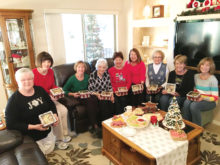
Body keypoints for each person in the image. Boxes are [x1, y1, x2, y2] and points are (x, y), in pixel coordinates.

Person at [5, 68, 59, 154]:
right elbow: (10, 124)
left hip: (48, 131)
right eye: (23, 80)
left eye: (30, 79)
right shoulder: (13, 101)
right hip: (31, 137)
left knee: (50, 150)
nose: (27, 82)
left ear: (33, 79)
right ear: (17, 81)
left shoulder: (40, 90)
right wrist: (34, 127)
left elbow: (51, 104)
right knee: (41, 154)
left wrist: (55, 115)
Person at [32, 51, 71, 147]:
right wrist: (48, 97)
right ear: (39, 62)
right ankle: (58, 139)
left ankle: (64, 134)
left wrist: (57, 91)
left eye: (49, 62)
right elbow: (34, 92)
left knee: (64, 110)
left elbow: (52, 85)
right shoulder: (33, 73)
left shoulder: (50, 71)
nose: (47, 64)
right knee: (56, 113)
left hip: (51, 98)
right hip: (40, 100)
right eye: (44, 61)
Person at [63, 61, 100, 138]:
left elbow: (92, 87)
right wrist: (73, 94)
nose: (81, 69)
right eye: (79, 67)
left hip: (88, 95)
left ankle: (93, 125)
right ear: (76, 68)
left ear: (85, 68)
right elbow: (64, 90)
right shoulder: (72, 79)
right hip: (78, 97)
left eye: (83, 67)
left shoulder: (87, 76)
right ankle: (95, 126)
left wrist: (95, 93)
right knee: (90, 101)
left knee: (94, 100)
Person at [183, 57, 218, 126]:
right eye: (202, 64)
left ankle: (197, 128)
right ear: (200, 65)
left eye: (207, 65)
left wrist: (203, 97)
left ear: (211, 67)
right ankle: (187, 124)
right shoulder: (196, 76)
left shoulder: (213, 79)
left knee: (194, 105)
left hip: (210, 101)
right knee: (186, 102)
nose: (204, 67)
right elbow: (195, 90)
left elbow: (215, 98)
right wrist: (193, 96)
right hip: (198, 97)